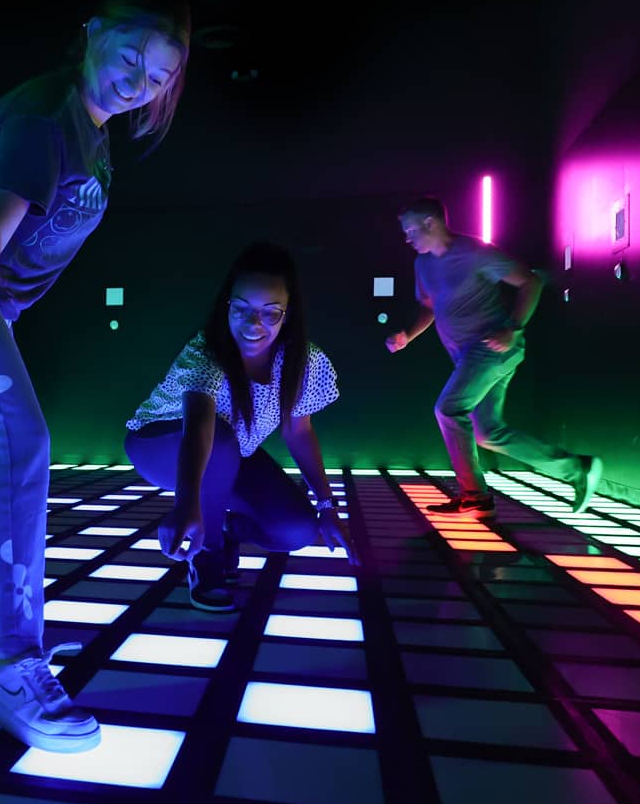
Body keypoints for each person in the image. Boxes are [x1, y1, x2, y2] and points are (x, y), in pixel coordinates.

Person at [0, 0, 190, 753]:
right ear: (91, 31)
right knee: (21, 447)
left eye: (158, 76)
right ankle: (7, 662)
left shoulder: (92, 131)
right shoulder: (44, 118)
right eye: (129, 57)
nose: (138, 82)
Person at [125, 241, 356, 611]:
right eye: (242, 308)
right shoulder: (206, 351)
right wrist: (186, 502)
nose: (254, 324)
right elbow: (199, 424)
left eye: (270, 312)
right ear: (227, 305)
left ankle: (226, 528)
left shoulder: (303, 361)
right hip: (159, 443)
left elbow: (299, 432)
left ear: (287, 314)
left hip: (230, 453)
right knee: (220, 441)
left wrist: (327, 506)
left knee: (297, 528)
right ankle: (207, 554)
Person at [386, 196, 603, 515]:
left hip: (491, 349)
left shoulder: (475, 252)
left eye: (410, 230)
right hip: (467, 358)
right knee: (487, 432)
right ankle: (576, 469)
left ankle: (474, 496)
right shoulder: (423, 264)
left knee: (448, 409)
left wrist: (513, 327)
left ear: (430, 223)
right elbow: (430, 307)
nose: (407, 238)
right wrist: (408, 335)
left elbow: (530, 281)